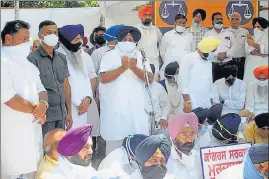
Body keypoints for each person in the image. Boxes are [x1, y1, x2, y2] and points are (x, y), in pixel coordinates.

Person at [1, 20, 48, 179]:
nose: (27, 43)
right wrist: (37, 111)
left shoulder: (29, 64)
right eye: (23, 39)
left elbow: (41, 89)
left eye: (28, 39)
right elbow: (7, 97)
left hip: (33, 131)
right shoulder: (2, 61)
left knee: (32, 170)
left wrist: (43, 104)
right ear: (8, 38)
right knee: (11, 171)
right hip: (11, 133)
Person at [99, 25, 154, 155]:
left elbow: (150, 78)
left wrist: (134, 68)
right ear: (119, 40)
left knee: (137, 147)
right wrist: (122, 68)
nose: (128, 41)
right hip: (116, 110)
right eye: (125, 39)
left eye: (131, 39)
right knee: (115, 152)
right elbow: (103, 78)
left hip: (137, 109)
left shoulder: (140, 55)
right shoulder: (110, 55)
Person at [28, 20, 73, 136]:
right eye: (48, 33)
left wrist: (69, 113)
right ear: (40, 35)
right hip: (44, 117)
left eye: (55, 33)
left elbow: (66, 87)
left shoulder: (61, 58)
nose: (53, 35)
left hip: (61, 114)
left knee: (60, 150)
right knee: (46, 150)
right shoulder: (32, 59)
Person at [56, 24, 98, 129]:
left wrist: (88, 98)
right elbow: (63, 84)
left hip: (84, 105)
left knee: (81, 140)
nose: (79, 43)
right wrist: (77, 102)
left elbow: (87, 79)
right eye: (76, 40)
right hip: (68, 106)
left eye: (80, 39)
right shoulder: (57, 57)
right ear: (66, 41)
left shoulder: (82, 55)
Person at [179, 36, 221, 112]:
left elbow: (209, 82)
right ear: (205, 51)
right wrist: (187, 101)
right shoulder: (188, 58)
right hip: (192, 101)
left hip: (206, 102)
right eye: (212, 51)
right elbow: (182, 81)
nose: (214, 53)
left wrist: (211, 99)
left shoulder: (209, 62)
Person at [91, 24, 123, 107]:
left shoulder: (123, 52)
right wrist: (93, 96)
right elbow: (92, 76)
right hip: (104, 95)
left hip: (121, 95)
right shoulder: (98, 53)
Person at [166, 113, 202, 179]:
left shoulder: (199, 157)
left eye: (192, 135)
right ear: (173, 138)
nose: (189, 140)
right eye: (184, 136)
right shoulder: (166, 162)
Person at [159, 13, 196, 79]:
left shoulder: (190, 36)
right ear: (175, 23)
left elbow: (193, 51)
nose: (182, 25)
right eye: (180, 23)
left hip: (185, 70)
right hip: (169, 70)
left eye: (184, 23)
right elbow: (162, 52)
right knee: (168, 88)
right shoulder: (167, 35)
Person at [204, 12, 237, 82]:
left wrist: (226, 54)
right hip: (213, 65)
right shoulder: (207, 34)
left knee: (227, 85)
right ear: (212, 21)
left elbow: (235, 46)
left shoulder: (229, 33)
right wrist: (217, 55)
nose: (219, 20)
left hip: (227, 64)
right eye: (217, 19)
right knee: (213, 85)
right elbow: (204, 49)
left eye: (221, 19)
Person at [136, 5, 163, 81]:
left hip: (155, 63)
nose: (147, 17)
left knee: (154, 86)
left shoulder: (156, 30)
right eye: (145, 15)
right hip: (140, 63)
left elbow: (162, 45)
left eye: (149, 15)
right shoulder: (135, 29)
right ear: (141, 16)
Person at [144, 65, 170, 134]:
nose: (148, 79)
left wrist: (163, 117)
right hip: (143, 126)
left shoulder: (159, 87)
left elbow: (166, 105)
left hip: (158, 125)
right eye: (146, 76)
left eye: (150, 76)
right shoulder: (137, 88)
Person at [243, 17, 269, 85]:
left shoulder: (267, 37)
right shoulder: (251, 37)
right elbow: (248, 50)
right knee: (250, 82)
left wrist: (254, 44)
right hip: (251, 64)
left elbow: (267, 49)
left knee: (263, 83)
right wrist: (262, 54)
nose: (256, 29)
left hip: (263, 63)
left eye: (258, 26)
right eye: (255, 26)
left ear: (264, 27)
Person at [227, 12, 249, 80]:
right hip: (229, 62)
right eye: (232, 19)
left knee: (241, 81)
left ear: (240, 20)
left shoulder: (245, 32)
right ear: (229, 20)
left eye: (236, 19)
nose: (234, 21)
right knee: (229, 82)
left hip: (241, 62)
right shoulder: (225, 32)